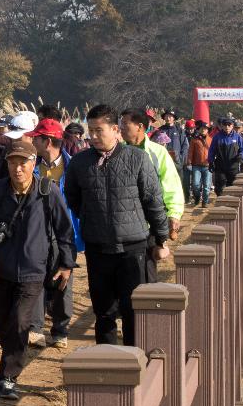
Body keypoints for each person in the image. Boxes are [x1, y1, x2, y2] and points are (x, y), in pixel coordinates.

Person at [0, 139, 76, 400]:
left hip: (34, 272)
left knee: (21, 322)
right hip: (3, 270)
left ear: (33, 164)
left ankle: (8, 376)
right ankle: (8, 361)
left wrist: (67, 264)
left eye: (23, 163)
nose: (17, 169)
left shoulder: (48, 191)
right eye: (12, 163)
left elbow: (64, 230)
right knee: (2, 321)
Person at [64, 104, 170, 347]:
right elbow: (73, 198)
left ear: (115, 130)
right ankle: (107, 365)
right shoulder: (80, 163)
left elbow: (153, 200)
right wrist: (93, 219)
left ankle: (136, 361)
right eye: (90, 131)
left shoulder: (137, 159)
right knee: (104, 311)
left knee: (133, 308)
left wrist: (161, 239)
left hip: (134, 247)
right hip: (98, 247)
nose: (92, 136)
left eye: (98, 130)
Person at [24, 117, 84, 348]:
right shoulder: (32, 166)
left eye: (35, 138)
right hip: (36, 231)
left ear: (47, 141)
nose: (32, 142)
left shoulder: (74, 167)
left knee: (63, 279)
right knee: (35, 278)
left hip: (64, 231)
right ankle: (35, 329)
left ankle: (60, 330)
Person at [120, 109, 185, 241]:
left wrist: (174, 213)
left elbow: (171, 183)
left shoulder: (158, 152)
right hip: (124, 221)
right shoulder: (116, 152)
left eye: (125, 124)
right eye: (120, 124)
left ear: (140, 127)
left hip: (151, 221)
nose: (121, 128)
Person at [208, 116, 243, 196]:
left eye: (229, 125)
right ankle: (221, 204)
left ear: (232, 126)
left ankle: (230, 205)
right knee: (219, 188)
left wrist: (241, 156)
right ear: (222, 126)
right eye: (225, 125)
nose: (227, 127)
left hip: (233, 166)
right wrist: (210, 161)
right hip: (220, 166)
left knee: (232, 187)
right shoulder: (217, 137)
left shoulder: (237, 137)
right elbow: (211, 150)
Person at [187, 122, 212, 207]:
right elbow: (190, 152)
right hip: (196, 165)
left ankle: (205, 201)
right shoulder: (194, 140)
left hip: (208, 166)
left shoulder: (211, 140)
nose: (203, 130)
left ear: (207, 130)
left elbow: (213, 152)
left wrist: (213, 162)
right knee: (195, 185)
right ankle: (197, 197)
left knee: (207, 185)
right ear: (199, 129)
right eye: (201, 128)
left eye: (205, 128)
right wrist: (189, 162)